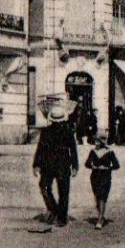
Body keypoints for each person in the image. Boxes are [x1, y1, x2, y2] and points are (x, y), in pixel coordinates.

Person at [32, 97, 79, 227]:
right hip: (63, 164)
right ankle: (61, 216)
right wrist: (75, 166)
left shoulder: (46, 131)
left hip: (48, 164)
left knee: (44, 187)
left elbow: (40, 149)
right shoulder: (68, 132)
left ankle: (54, 209)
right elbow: (73, 150)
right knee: (63, 191)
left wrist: (36, 165)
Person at [85, 136, 120, 229]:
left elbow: (116, 165)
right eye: (95, 141)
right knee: (97, 196)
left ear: (101, 142)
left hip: (105, 176)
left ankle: (100, 219)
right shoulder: (93, 152)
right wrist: (94, 167)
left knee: (102, 196)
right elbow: (87, 164)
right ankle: (101, 215)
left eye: (97, 141)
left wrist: (108, 168)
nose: (95, 143)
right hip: (95, 177)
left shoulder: (109, 152)